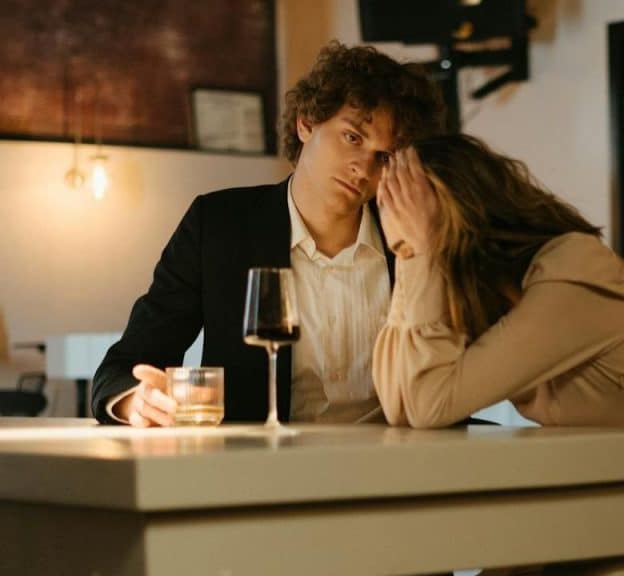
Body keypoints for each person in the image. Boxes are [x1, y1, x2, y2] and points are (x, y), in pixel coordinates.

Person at [372, 134, 624, 575]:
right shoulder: (497, 294)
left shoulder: (574, 267)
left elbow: (430, 403)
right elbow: (400, 404)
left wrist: (425, 252)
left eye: (413, 231)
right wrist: (410, 256)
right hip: (587, 510)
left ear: (462, 213)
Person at [92, 42, 446, 426]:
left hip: (395, 468)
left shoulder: (416, 238)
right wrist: (137, 400)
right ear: (306, 123)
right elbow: (124, 366)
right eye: (353, 138)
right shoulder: (218, 225)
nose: (364, 167)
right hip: (258, 473)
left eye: (384, 156)